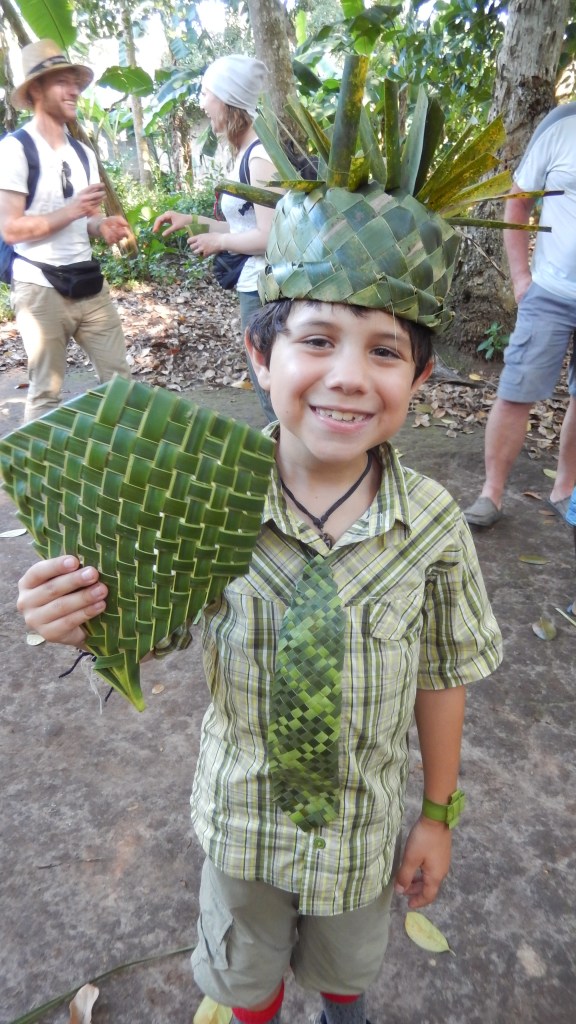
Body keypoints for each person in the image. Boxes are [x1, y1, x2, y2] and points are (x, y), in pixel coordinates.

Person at [16, 69, 503, 1024]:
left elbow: (443, 675)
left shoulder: (436, 524)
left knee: (348, 980)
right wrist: (69, 618)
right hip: (240, 830)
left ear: (424, 376)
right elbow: (138, 627)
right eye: (316, 339)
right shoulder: (195, 492)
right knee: (246, 983)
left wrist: (437, 816)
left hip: (364, 836)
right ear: (258, 356)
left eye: (386, 350)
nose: (348, 378)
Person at [0, 39, 131, 423]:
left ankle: (120, 470)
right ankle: (28, 482)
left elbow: (82, 221)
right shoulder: (14, 149)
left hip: (88, 284)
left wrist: (100, 225)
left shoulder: (83, 154)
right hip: (39, 287)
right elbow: (11, 229)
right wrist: (73, 209)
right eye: (62, 81)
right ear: (36, 90)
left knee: (120, 383)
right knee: (46, 394)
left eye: (75, 81)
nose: (74, 90)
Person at [463, 103, 576, 528]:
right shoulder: (562, 124)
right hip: (550, 290)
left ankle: (564, 489)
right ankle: (491, 494)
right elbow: (518, 200)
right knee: (516, 390)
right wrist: (519, 278)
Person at [153, 54, 278, 422]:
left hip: (263, 289)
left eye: (206, 94)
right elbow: (241, 227)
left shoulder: (259, 158)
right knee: (265, 383)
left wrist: (218, 243)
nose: (202, 104)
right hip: (251, 285)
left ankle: (293, 464)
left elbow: (269, 239)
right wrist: (191, 220)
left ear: (227, 99)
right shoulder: (243, 153)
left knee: (270, 386)